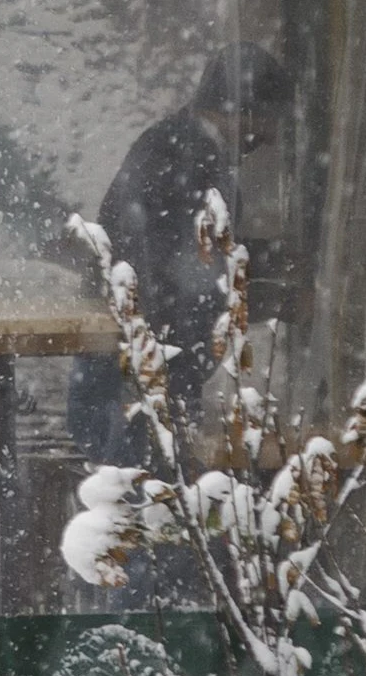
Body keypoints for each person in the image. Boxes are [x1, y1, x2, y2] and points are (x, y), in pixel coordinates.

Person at [69, 41, 294, 461]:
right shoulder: (191, 158)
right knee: (146, 498)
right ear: (240, 110)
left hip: (124, 370)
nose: (271, 137)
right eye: (269, 120)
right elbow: (185, 271)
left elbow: (186, 253)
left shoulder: (176, 144)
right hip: (138, 378)